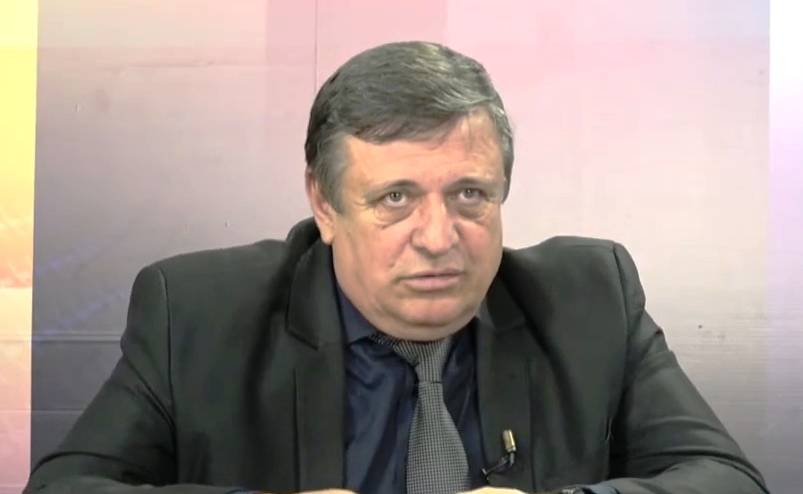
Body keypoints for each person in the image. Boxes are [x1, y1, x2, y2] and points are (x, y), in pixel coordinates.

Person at [24, 41, 768, 494]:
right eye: (395, 198)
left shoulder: (590, 299)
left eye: (469, 194)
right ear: (324, 204)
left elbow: (727, 481)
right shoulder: (196, 314)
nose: (438, 237)